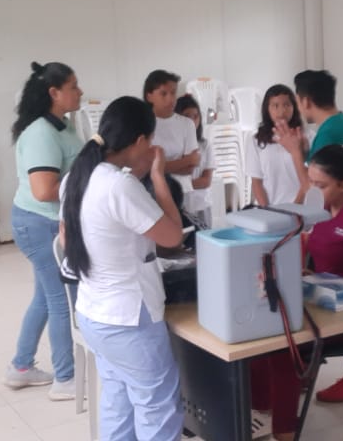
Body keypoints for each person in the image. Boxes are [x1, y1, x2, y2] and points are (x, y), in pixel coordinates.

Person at [61, 96, 185, 441]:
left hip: (93, 313)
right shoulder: (120, 186)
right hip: (129, 320)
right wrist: (158, 177)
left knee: (118, 402)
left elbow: (65, 236)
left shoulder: (76, 177)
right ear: (141, 140)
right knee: (156, 406)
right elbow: (173, 236)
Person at [249, 144, 343, 440]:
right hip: (323, 301)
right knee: (257, 335)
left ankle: (285, 431)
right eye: (311, 182)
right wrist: (310, 275)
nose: (314, 190)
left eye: (321, 185)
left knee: (282, 347)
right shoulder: (323, 208)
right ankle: (259, 410)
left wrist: (324, 283)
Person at [6, 61, 83, 400]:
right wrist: (86, 182)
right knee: (62, 300)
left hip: (47, 222)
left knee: (44, 297)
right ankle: (66, 379)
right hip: (40, 224)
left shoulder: (62, 126)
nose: (80, 92)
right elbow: (43, 190)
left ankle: (20, 367)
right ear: (54, 93)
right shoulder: (41, 133)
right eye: (73, 86)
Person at [246, 84, 308, 206]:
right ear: (267, 109)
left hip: (302, 207)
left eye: (286, 105)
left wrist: (295, 207)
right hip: (272, 209)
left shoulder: (306, 136)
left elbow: (309, 179)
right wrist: (267, 211)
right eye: (275, 105)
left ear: (294, 107)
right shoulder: (256, 140)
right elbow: (256, 182)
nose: (281, 111)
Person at [142, 70, 200, 183]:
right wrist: (186, 161)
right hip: (153, 188)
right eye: (163, 94)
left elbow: (190, 168)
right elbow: (144, 168)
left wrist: (159, 167)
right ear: (149, 96)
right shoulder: (142, 124)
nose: (171, 99)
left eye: (173, 93)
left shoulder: (187, 124)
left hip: (183, 188)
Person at [293, 70, 343, 161]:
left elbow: (310, 172)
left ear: (306, 102)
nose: (298, 108)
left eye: (297, 102)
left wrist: (295, 152)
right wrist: (305, 153)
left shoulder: (327, 134)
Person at [174, 94, 215, 229]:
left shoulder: (205, 145)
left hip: (202, 205)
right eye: (187, 116)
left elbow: (206, 181)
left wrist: (181, 185)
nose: (192, 121)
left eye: (196, 116)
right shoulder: (172, 147)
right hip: (180, 206)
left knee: (205, 238)